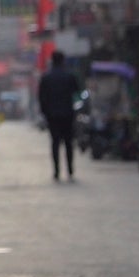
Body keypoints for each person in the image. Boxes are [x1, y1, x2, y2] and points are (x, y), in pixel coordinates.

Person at [38, 50, 84, 181]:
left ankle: (56, 171)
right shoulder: (69, 76)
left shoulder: (46, 78)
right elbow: (77, 93)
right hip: (68, 114)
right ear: (63, 61)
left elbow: (42, 98)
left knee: (55, 143)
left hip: (52, 116)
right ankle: (70, 170)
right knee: (69, 143)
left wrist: (45, 113)